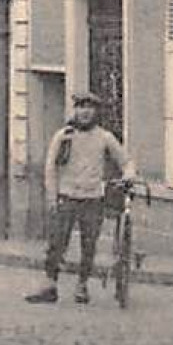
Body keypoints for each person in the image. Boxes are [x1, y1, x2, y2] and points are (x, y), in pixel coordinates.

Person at [26, 91, 137, 305]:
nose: (84, 112)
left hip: (93, 197)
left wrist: (129, 174)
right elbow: (50, 167)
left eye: (89, 108)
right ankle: (50, 284)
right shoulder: (63, 136)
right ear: (74, 110)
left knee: (89, 244)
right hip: (67, 196)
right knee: (57, 242)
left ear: (95, 112)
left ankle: (82, 285)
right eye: (80, 107)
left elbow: (126, 161)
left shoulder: (105, 137)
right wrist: (52, 195)